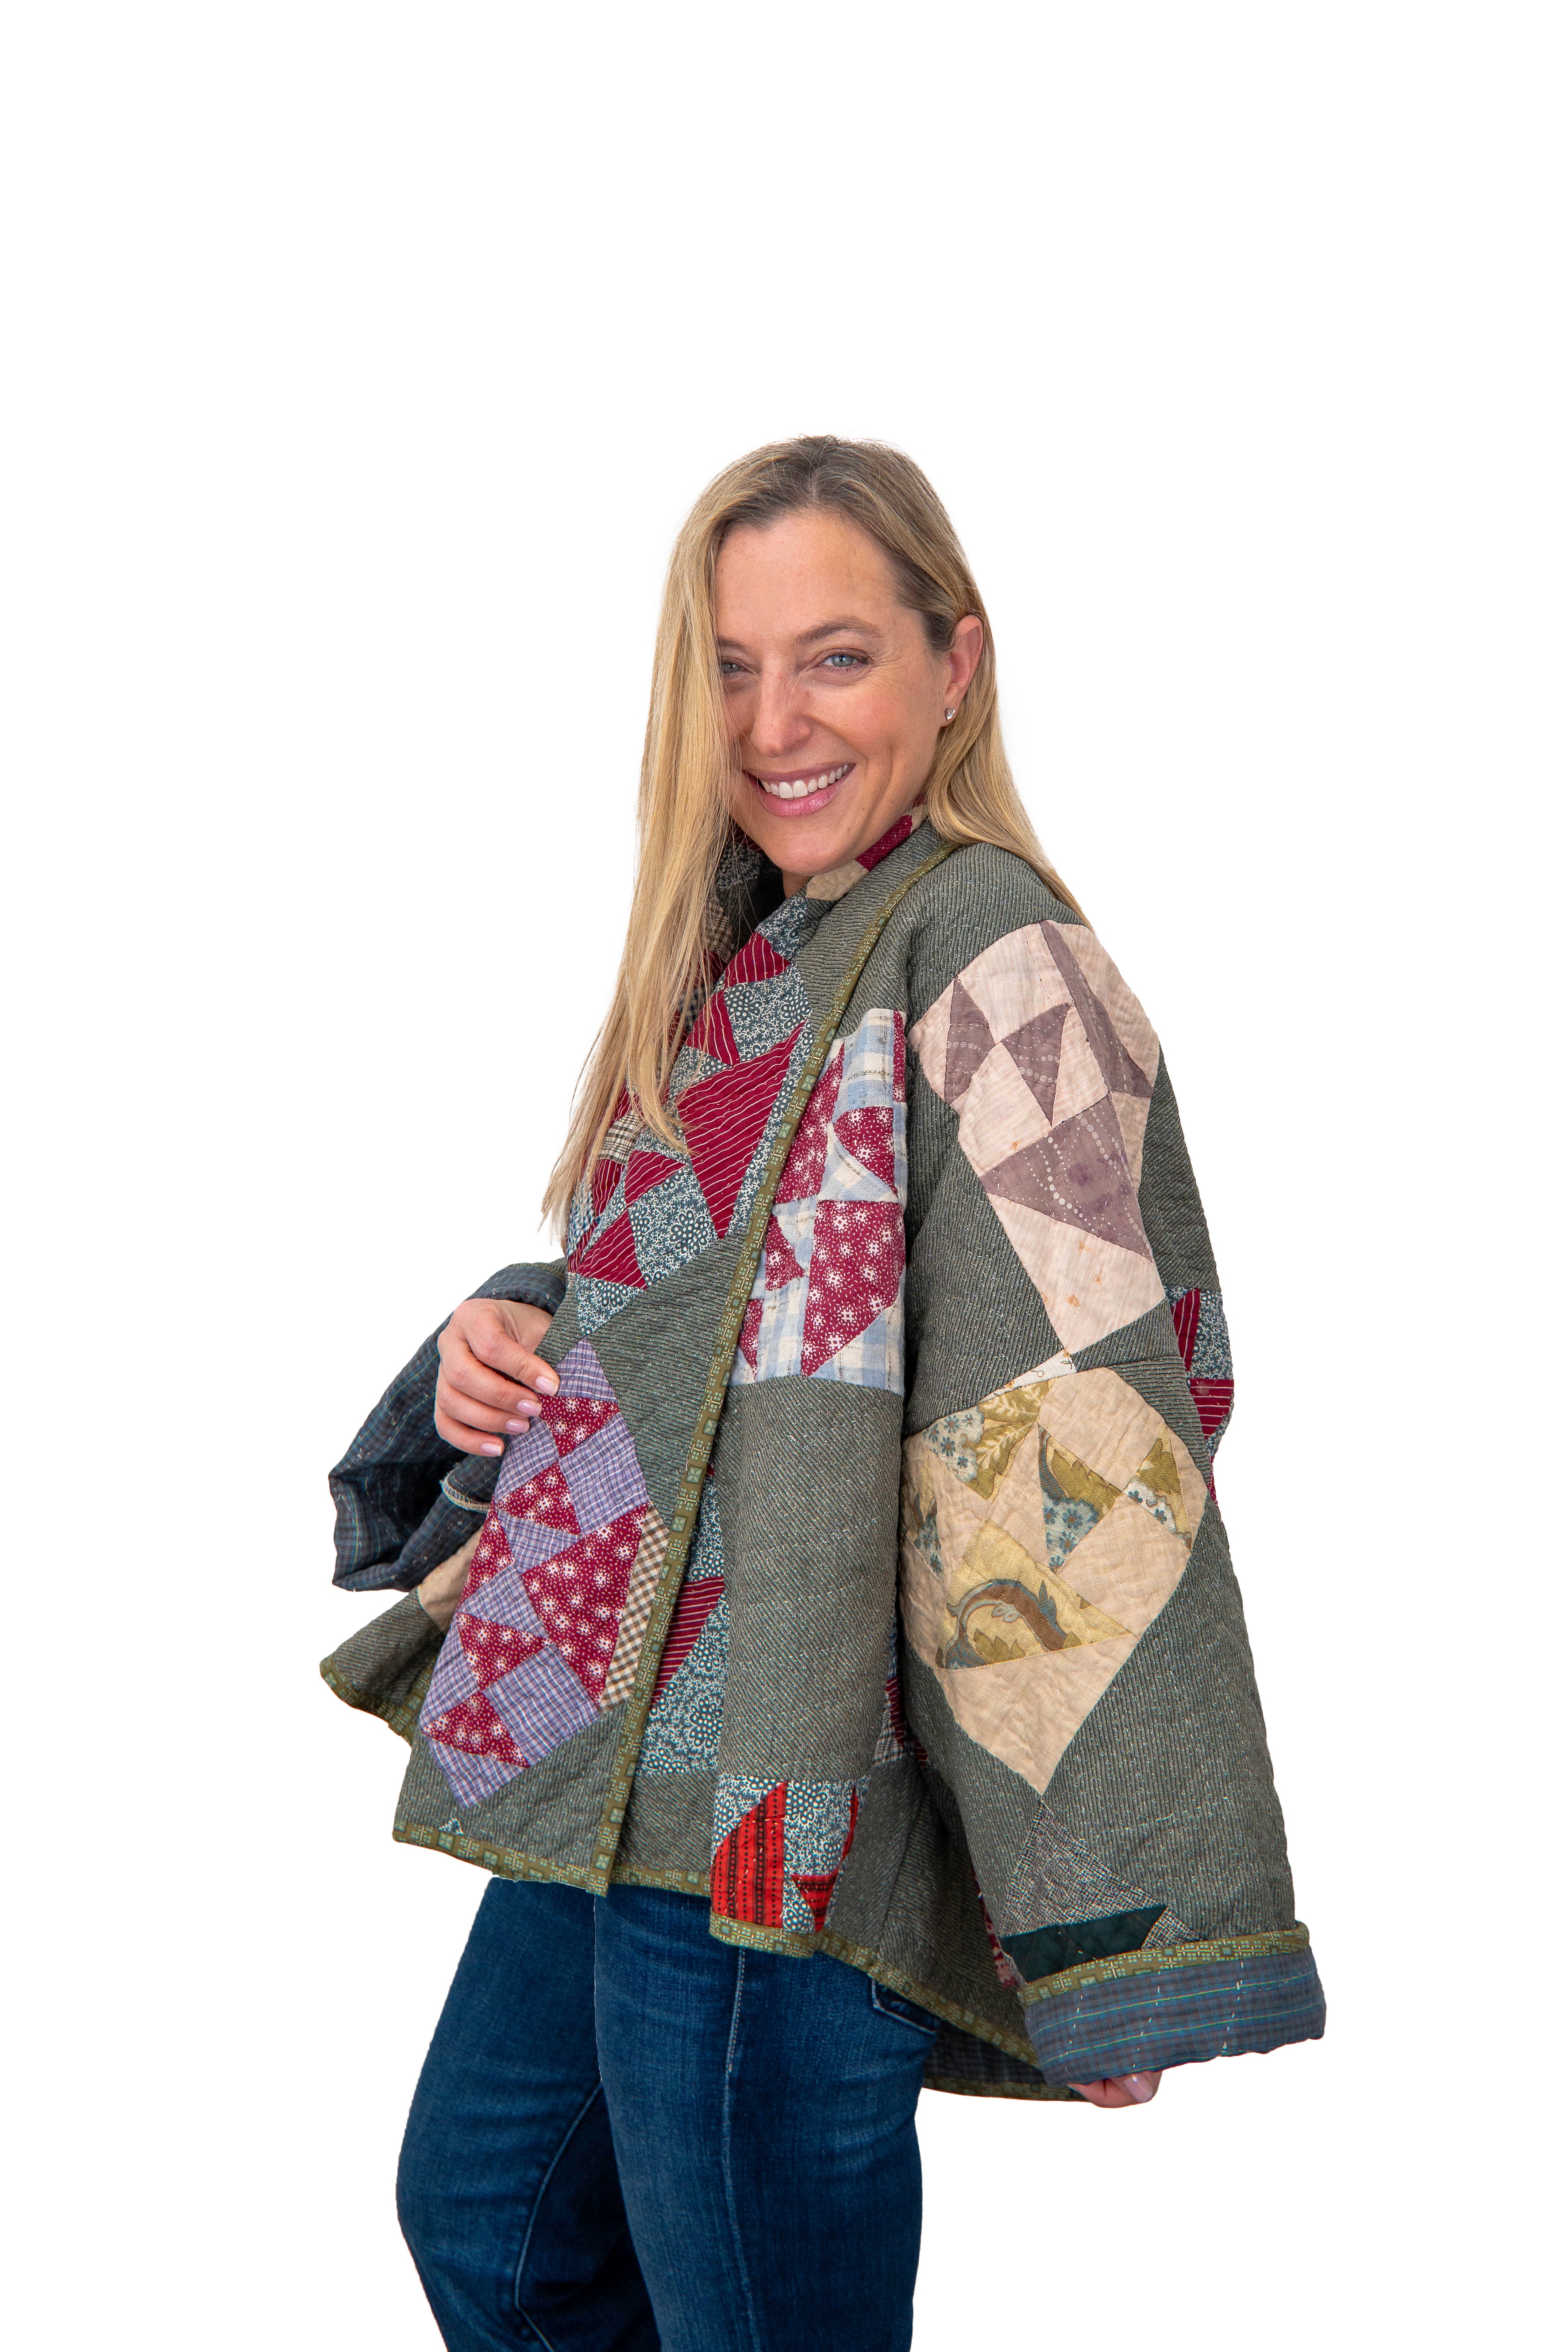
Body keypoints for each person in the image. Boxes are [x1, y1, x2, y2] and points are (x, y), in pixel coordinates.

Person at [323, 436, 1325, 2352]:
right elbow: (727, 1321)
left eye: (836, 657)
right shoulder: (752, 951)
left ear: (957, 663)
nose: (773, 722)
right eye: (730, 666)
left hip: (787, 1804)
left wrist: (1091, 1900)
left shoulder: (995, 956)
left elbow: (1088, 1419)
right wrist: (515, 1331)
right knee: (492, 2225)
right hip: (624, 1765)